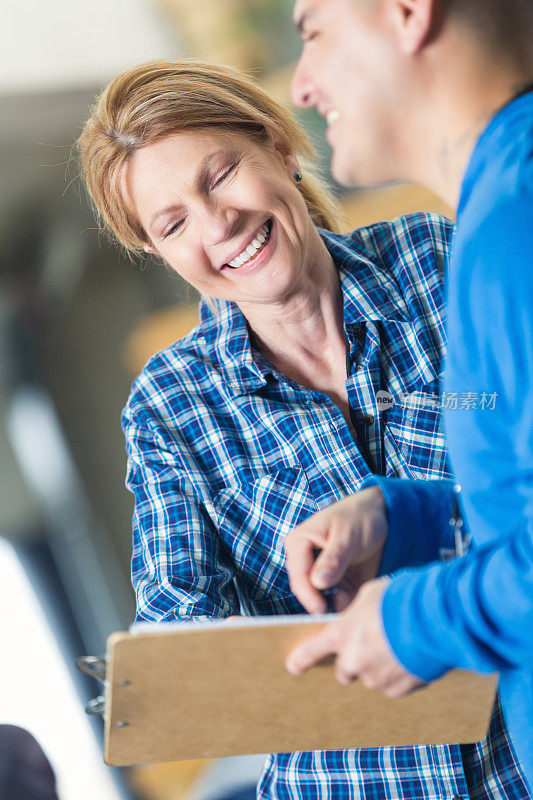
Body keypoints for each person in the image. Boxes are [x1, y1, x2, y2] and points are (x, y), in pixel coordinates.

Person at [77, 58, 488, 800]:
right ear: (157, 252)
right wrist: (169, 676)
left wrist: (414, 518)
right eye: (173, 223)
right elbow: (181, 635)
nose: (218, 224)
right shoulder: (171, 406)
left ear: (279, 146)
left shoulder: (440, 262)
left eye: (220, 175)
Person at [284, 0, 533, 792]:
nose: (300, 85)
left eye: (312, 31)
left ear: (405, 12)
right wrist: (413, 515)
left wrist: (413, 618)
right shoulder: (496, 216)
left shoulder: (513, 231)